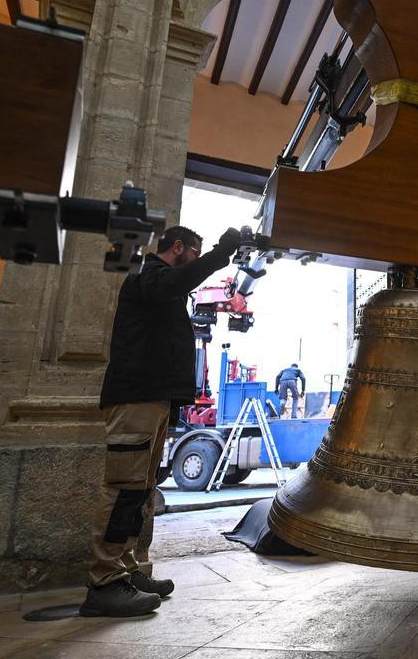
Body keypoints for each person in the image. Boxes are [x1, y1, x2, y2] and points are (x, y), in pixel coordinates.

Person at [82, 224, 242, 617]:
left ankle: (128, 570)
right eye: (194, 253)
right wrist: (220, 255)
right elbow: (175, 282)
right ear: (178, 248)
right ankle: (104, 583)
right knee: (123, 489)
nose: (193, 262)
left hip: (153, 399)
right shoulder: (146, 276)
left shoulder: (161, 286)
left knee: (140, 490)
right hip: (136, 397)